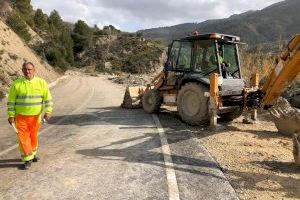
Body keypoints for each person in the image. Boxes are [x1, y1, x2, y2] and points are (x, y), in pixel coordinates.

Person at [7, 62, 53, 170]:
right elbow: (11, 101)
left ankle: (32, 154)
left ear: (34, 70)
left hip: (36, 117)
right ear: (22, 70)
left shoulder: (41, 83)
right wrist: (11, 115)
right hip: (21, 117)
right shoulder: (16, 84)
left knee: (33, 137)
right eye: (25, 69)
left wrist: (48, 111)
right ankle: (27, 159)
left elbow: (48, 98)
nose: (28, 71)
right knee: (23, 138)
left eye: (30, 69)